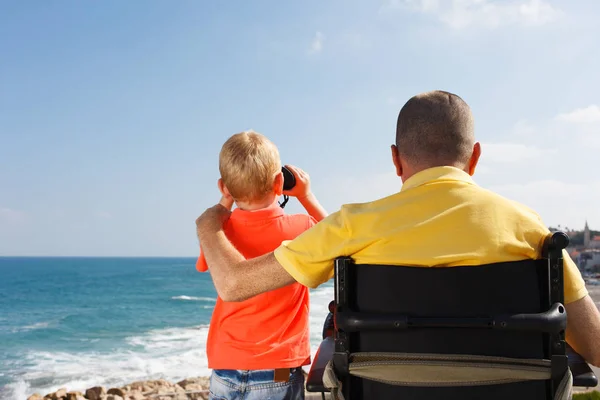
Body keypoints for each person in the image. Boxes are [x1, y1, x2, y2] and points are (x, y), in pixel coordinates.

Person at [195, 91, 600, 368]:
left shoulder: (353, 226)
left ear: (395, 159)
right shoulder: (531, 231)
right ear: (474, 157)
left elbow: (233, 285)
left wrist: (209, 225)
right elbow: (595, 348)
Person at [196, 130, 328, 400]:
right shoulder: (301, 227)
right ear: (280, 182)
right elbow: (335, 236)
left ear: (224, 187)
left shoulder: (219, 231)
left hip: (225, 367)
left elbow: (203, 265)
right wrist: (306, 196)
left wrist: (225, 202)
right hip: (277, 369)